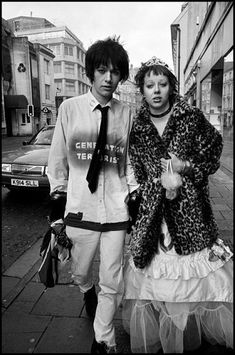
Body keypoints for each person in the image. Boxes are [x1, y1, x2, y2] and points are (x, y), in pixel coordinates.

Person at [122, 57, 233, 353]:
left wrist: (184, 167)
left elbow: (212, 157)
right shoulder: (138, 127)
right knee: (156, 274)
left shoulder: (191, 117)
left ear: (171, 86)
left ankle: (187, 331)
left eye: (162, 84)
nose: (156, 90)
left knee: (193, 276)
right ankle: (165, 331)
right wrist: (153, 188)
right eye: (149, 85)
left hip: (192, 213)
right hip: (154, 215)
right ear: (142, 90)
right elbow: (136, 171)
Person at [47, 36, 137, 354]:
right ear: (91, 73)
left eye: (115, 72)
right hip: (80, 210)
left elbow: (130, 161)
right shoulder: (69, 110)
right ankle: (86, 289)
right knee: (81, 269)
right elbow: (57, 160)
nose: (109, 78)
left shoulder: (126, 113)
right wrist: (56, 208)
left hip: (115, 209)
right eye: (102, 70)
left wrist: (135, 198)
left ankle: (103, 339)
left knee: (112, 280)